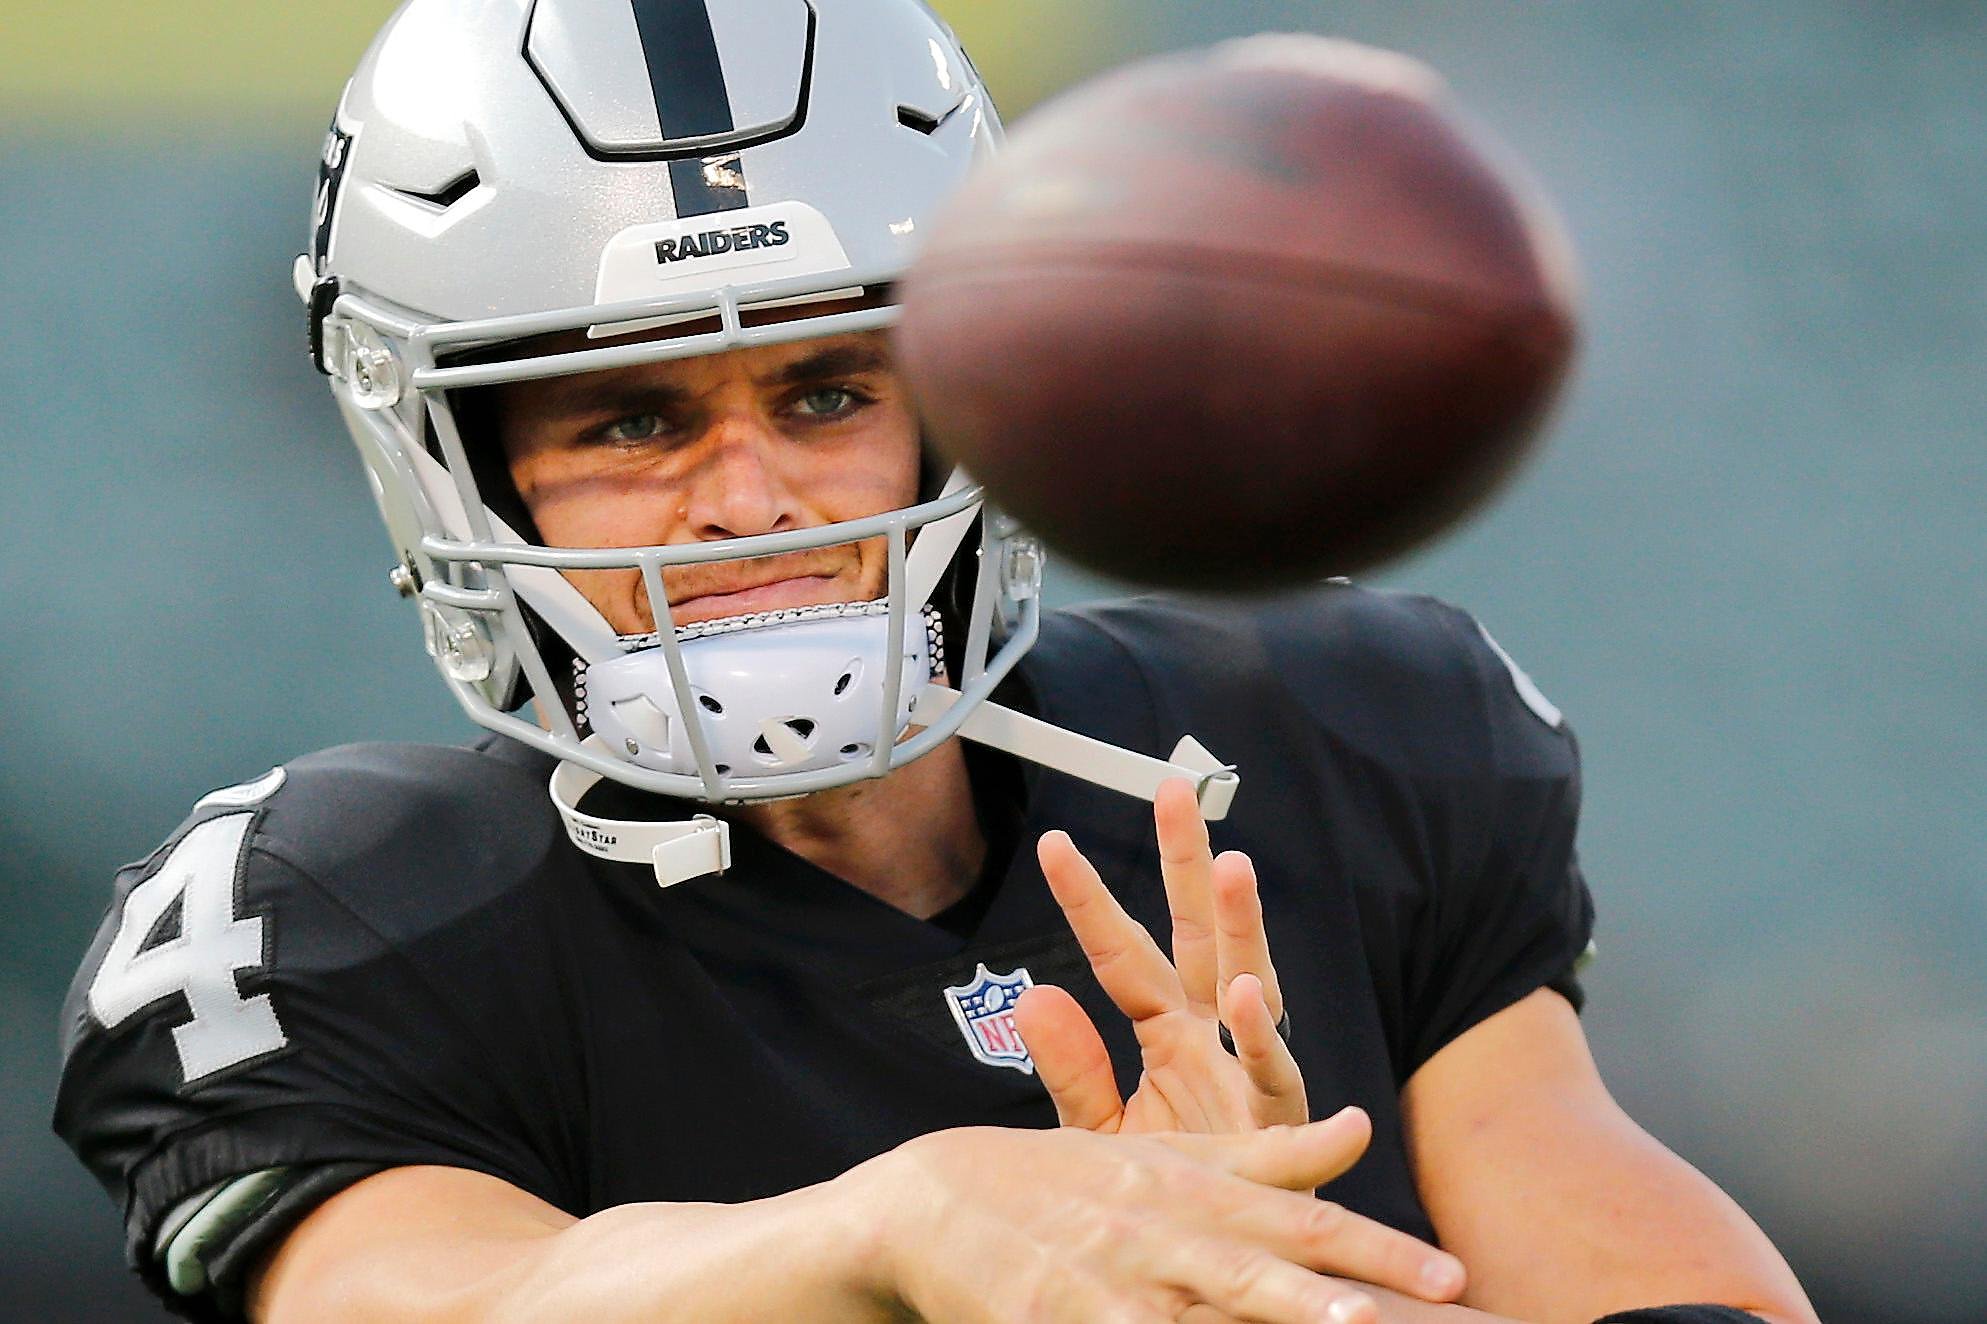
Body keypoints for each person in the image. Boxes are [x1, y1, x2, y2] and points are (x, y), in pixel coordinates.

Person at [54, 3, 1818, 1322]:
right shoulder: (358, 905)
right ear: (460, 461)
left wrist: (1280, 1284)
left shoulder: (1345, 743)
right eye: (630, 418)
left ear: (981, 397)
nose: (745, 501)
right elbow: (421, 1300)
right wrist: (898, 1228)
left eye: (827, 392)